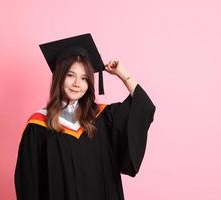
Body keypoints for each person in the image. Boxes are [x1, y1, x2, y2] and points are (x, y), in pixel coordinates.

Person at [14, 33, 156, 200]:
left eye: (84, 78)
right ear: (59, 77)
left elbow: (143, 107)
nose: (77, 84)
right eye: (70, 75)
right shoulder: (38, 127)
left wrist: (122, 74)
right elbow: (28, 185)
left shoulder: (103, 118)